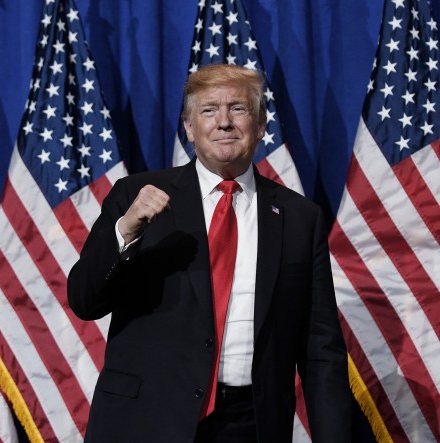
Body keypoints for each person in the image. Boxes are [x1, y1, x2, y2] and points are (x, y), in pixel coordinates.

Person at [68, 64, 354, 442]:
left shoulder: (301, 218)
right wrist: (127, 230)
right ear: (189, 128)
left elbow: (321, 349)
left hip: (250, 425)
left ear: (261, 125)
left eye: (238, 108)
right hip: (146, 421)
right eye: (209, 110)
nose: (224, 122)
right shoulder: (134, 196)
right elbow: (84, 300)